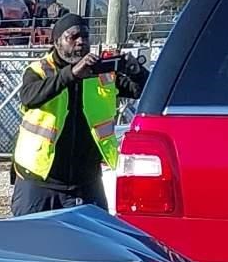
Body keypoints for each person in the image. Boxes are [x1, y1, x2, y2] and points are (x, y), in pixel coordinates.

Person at [10, 13, 147, 215]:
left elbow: (143, 91)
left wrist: (135, 70)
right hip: (39, 179)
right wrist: (72, 73)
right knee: (30, 243)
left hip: (86, 180)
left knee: (91, 243)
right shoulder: (39, 70)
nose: (80, 42)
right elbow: (29, 97)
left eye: (85, 36)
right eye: (72, 37)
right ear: (57, 42)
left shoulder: (101, 72)